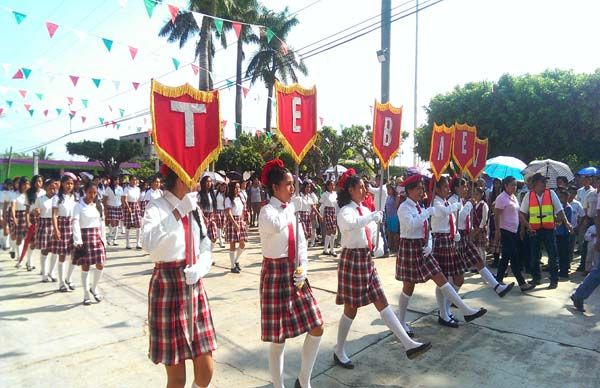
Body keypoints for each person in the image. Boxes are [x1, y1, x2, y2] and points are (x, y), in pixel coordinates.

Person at [334, 169, 431, 368]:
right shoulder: (346, 210)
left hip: (366, 259)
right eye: (360, 187)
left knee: (382, 301)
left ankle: (408, 343)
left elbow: (366, 234)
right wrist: (371, 217)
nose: (364, 190)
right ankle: (339, 350)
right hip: (352, 260)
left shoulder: (362, 209)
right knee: (350, 310)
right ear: (350, 190)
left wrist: (376, 242)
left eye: (364, 186)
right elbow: (350, 225)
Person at [142, 166, 216, 388]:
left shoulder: (194, 207)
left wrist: (201, 266)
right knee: (177, 378)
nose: (196, 181)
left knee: (206, 370)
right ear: (178, 178)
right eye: (192, 176)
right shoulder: (157, 206)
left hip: (193, 284)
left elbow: (205, 243)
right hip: (167, 284)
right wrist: (178, 212)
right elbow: (148, 244)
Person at [258, 159, 324, 388]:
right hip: (275, 273)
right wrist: (293, 208)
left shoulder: (291, 210)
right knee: (279, 338)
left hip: (295, 272)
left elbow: (302, 242)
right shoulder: (267, 211)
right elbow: (276, 225)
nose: (292, 188)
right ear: (275, 188)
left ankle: (303, 379)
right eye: (288, 184)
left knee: (317, 325)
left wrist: (303, 268)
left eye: (292, 184)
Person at [396, 175, 487, 336]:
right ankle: (401, 322)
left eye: (422, 188)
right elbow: (410, 225)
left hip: (423, 247)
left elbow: (427, 228)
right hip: (409, 247)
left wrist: (429, 244)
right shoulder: (404, 207)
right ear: (409, 191)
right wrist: (426, 213)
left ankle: (465, 310)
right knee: (408, 288)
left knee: (442, 279)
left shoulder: (419, 206)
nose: (421, 191)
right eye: (417, 188)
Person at [452, 178, 515, 298]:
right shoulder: (453, 200)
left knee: (479, 261)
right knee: (455, 277)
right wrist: (470, 205)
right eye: (463, 186)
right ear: (456, 188)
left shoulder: (462, 200)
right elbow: (459, 219)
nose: (466, 189)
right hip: (457, 237)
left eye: (466, 186)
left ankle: (497, 286)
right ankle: (450, 300)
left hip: (464, 235)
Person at [519, 173, 573, 289]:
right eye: (543, 181)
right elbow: (522, 214)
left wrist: (567, 223)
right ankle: (536, 278)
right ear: (536, 183)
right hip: (534, 230)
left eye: (545, 181)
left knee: (552, 256)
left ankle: (554, 280)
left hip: (549, 230)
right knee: (534, 257)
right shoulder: (529, 195)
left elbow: (560, 210)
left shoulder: (551, 193)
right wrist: (527, 226)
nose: (545, 183)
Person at [493, 176, 536, 292]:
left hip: (514, 231)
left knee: (506, 256)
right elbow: (496, 215)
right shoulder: (501, 198)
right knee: (514, 257)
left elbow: (519, 214)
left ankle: (498, 279)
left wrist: (527, 226)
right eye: (512, 185)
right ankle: (522, 283)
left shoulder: (514, 198)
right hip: (505, 231)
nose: (514, 187)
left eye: (516, 185)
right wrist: (497, 231)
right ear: (505, 186)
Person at [73, 181, 107, 305]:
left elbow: (102, 223)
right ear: (85, 192)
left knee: (100, 264)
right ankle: (86, 294)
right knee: (85, 266)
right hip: (84, 237)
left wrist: (103, 239)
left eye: (94, 192)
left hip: (96, 237)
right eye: (90, 192)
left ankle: (94, 287)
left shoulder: (98, 205)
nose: (92, 195)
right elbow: (75, 222)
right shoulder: (78, 206)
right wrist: (78, 240)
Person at [51, 174, 77, 292]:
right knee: (62, 255)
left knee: (75, 255)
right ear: (62, 184)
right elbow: (54, 215)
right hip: (62, 225)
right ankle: (61, 282)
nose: (69, 186)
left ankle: (69, 278)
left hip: (73, 226)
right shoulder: (57, 197)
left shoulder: (74, 196)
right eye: (67, 183)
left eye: (71, 184)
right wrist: (56, 229)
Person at [34, 179, 59, 282]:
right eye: (50, 188)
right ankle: (44, 273)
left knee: (55, 250)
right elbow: (35, 211)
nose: (53, 190)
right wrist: (36, 212)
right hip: (44, 224)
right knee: (44, 250)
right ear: (46, 188)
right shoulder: (40, 199)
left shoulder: (57, 199)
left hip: (56, 224)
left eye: (54, 188)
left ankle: (51, 272)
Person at [21, 174, 45, 271]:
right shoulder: (29, 193)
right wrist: (27, 221)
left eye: (40, 181)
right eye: (36, 181)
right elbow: (27, 210)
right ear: (33, 183)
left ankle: (41, 267)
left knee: (40, 243)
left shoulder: (44, 192)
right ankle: (29, 262)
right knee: (32, 242)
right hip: (32, 218)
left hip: (42, 218)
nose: (38, 183)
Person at [224, 181, 248, 273]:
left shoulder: (240, 198)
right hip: (232, 221)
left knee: (242, 243)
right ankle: (232, 266)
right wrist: (234, 223)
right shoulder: (228, 199)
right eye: (235, 188)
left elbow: (243, 210)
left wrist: (246, 217)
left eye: (238, 187)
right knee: (233, 244)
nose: (237, 189)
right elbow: (228, 212)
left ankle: (236, 260)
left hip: (240, 220)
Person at [293, 181, 321, 248]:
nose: (308, 189)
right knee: (301, 234)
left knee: (307, 234)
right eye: (307, 187)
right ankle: (299, 249)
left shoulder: (309, 196)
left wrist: (319, 215)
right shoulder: (298, 195)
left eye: (309, 187)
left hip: (307, 216)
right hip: (300, 216)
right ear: (303, 187)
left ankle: (305, 250)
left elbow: (313, 207)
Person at [11, 177, 31, 264]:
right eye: (24, 184)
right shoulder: (15, 194)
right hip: (19, 216)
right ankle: (20, 258)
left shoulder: (30, 194)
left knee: (28, 239)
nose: (25, 186)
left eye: (27, 184)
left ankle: (28, 260)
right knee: (19, 238)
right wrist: (14, 216)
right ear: (20, 185)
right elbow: (13, 206)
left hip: (29, 216)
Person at [555, 189, 573, 279]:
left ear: (566, 197)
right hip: (558, 233)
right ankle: (561, 269)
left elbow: (560, 219)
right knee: (560, 252)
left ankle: (564, 271)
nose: (560, 199)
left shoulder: (567, 208)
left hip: (564, 233)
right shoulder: (560, 207)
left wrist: (557, 217)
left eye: (561, 197)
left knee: (564, 253)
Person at [122, 176, 142, 250]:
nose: (134, 182)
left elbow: (139, 199)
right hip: (129, 206)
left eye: (135, 180)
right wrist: (128, 207)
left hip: (136, 206)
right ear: (130, 181)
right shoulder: (126, 189)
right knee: (128, 225)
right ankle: (127, 244)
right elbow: (125, 199)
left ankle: (138, 243)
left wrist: (138, 206)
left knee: (138, 225)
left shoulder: (138, 189)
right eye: (133, 180)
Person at [103, 175, 123, 246]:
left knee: (117, 224)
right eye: (115, 180)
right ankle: (109, 237)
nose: (117, 181)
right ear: (112, 181)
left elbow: (122, 198)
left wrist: (122, 207)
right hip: (111, 207)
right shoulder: (108, 188)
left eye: (117, 180)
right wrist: (105, 208)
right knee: (113, 224)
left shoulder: (120, 188)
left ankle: (115, 239)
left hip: (118, 207)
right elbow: (104, 199)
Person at [319, 180, 338, 256]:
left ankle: (331, 249)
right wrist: (321, 215)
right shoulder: (324, 194)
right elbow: (321, 205)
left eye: (333, 185)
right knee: (330, 229)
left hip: (334, 211)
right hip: (327, 211)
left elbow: (336, 205)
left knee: (333, 231)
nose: (332, 187)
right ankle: (326, 249)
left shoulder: (335, 194)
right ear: (327, 186)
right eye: (330, 185)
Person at [567, 186, 585, 265]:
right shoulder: (561, 202)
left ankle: (568, 263)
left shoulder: (577, 204)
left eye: (574, 193)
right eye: (570, 192)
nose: (572, 194)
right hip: (562, 228)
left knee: (570, 247)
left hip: (573, 228)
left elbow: (582, 215)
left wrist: (578, 226)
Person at [198, 175, 218, 245]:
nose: (209, 183)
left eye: (210, 181)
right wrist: (203, 217)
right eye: (207, 181)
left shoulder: (213, 193)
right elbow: (199, 207)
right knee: (204, 237)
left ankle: (209, 251)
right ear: (203, 183)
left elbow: (214, 206)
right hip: (204, 215)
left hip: (211, 215)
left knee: (214, 237)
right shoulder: (200, 195)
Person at [471, 187, 489, 262]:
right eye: (475, 194)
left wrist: (480, 228)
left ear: (482, 194)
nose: (475, 196)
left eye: (477, 194)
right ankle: (478, 263)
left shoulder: (484, 205)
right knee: (476, 248)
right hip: (475, 227)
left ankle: (483, 263)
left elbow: (484, 218)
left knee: (481, 248)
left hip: (480, 229)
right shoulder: (475, 205)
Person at [385, 185, 401, 253]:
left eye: (389, 189)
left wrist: (397, 198)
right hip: (388, 216)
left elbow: (395, 206)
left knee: (394, 233)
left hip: (394, 216)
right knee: (389, 232)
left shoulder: (396, 197)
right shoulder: (387, 197)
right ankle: (390, 246)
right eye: (387, 189)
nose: (388, 191)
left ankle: (395, 247)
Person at [214, 183, 227, 248]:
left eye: (225, 187)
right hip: (217, 210)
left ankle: (220, 236)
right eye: (222, 186)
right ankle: (221, 241)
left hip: (223, 210)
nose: (223, 188)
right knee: (219, 225)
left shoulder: (225, 195)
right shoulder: (215, 192)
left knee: (222, 225)